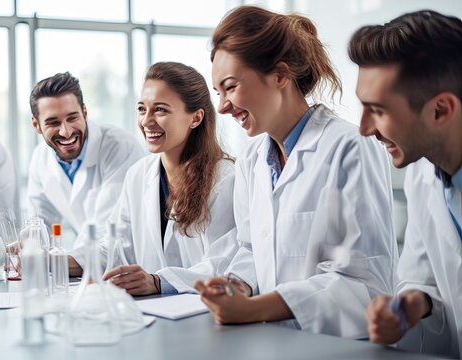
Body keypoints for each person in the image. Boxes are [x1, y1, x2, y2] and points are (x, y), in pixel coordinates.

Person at [194, 6, 397, 339]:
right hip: (275, 339)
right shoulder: (252, 159)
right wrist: (236, 285)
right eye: (218, 92)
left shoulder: (349, 147)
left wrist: (257, 308)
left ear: (279, 75)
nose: (223, 106)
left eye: (230, 87)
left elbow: (367, 281)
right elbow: (249, 248)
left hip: (338, 346)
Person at [68, 62, 238, 295]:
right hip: (154, 314)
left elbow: (224, 263)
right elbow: (116, 247)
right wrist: (56, 262)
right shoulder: (138, 174)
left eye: (160, 110)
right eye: (141, 109)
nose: (147, 121)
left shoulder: (224, 177)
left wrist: (158, 282)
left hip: (205, 313)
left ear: (196, 118)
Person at [350, 10, 462, 358]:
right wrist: (412, 305)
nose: (364, 128)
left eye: (378, 110)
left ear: (441, 111)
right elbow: (426, 281)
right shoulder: (423, 176)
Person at [27, 72, 145, 243]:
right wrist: (27, 247)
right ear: (36, 125)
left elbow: (109, 233)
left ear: (84, 112)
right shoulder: (40, 158)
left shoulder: (119, 147)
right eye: (53, 122)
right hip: (88, 262)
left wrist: (55, 259)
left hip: (131, 261)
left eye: (72, 117)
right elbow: (38, 226)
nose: (65, 132)